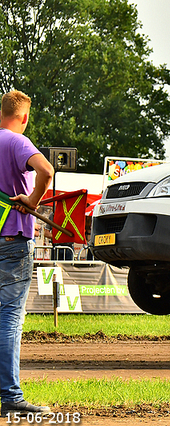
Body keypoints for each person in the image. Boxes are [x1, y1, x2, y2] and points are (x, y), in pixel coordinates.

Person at [0, 90, 54, 416]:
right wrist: (32, 201)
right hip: (13, 241)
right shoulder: (17, 142)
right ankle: (11, 397)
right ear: (23, 116)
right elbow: (46, 171)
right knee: (9, 320)